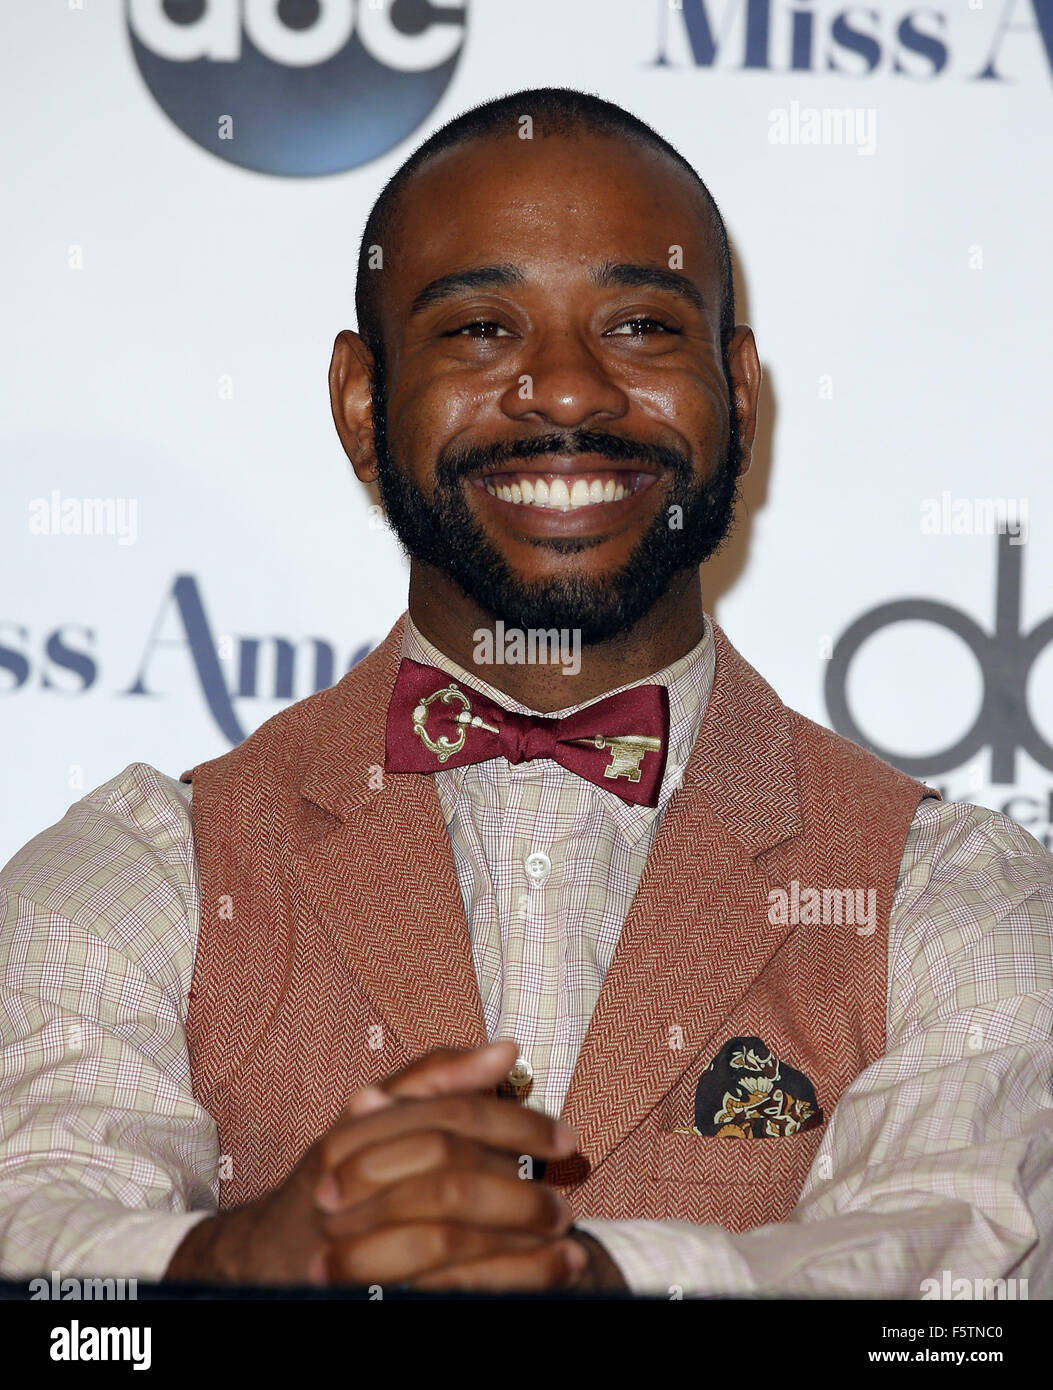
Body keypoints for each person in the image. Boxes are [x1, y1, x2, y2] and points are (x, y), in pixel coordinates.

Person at [1, 87, 1050, 1297]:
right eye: (480, 329)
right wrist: (236, 1265)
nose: (565, 390)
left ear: (740, 395)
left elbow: (970, 1282)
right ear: (360, 405)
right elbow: (40, 1239)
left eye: (644, 327)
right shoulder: (138, 879)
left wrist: (598, 1284)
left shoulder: (954, 894)